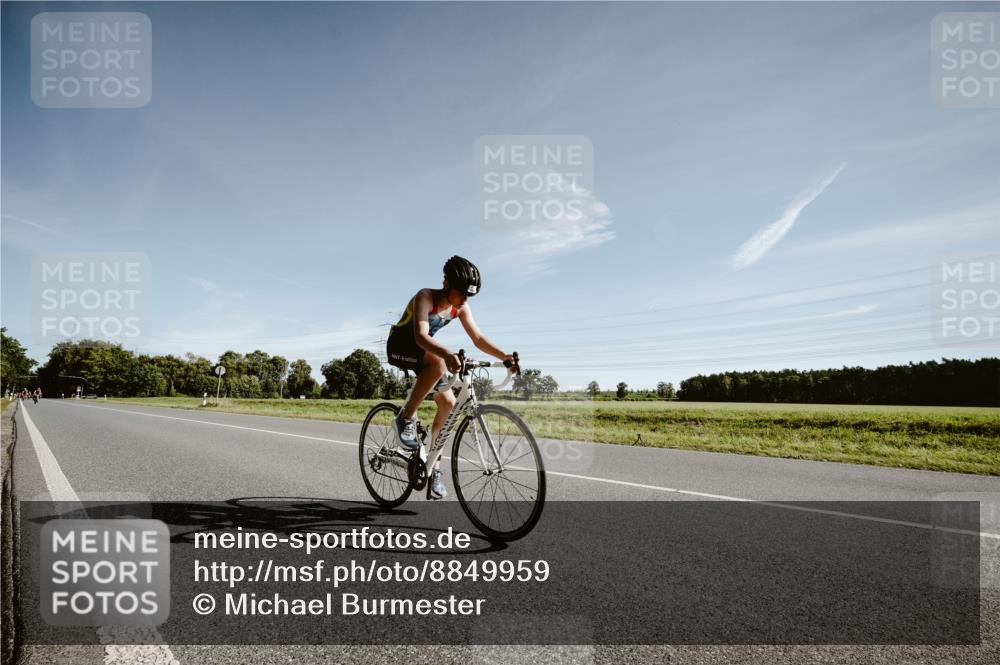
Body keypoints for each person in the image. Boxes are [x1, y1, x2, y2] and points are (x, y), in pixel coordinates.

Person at [386, 256, 515, 500]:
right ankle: (405, 418)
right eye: (462, 294)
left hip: (426, 354)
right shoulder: (425, 296)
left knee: (448, 404)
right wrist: (446, 353)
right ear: (446, 284)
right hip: (402, 346)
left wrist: (504, 356)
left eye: (469, 296)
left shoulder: (461, 306)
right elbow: (421, 336)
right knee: (438, 362)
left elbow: (477, 338)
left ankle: (433, 466)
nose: (465, 300)